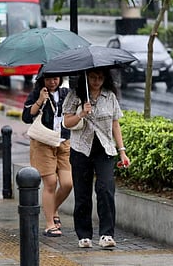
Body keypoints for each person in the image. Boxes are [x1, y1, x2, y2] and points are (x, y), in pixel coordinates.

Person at [62, 68, 130, 248]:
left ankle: (107, 234)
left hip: (104, 150)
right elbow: (66, 122)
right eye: (93, 77)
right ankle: (83, 235)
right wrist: (80, 114)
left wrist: (122, 151)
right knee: (82, 193)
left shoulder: (110, 97)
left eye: (100, 77)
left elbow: (115, 124)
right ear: (86, 77)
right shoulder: (75, 95)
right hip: (81, 149)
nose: (96, 81)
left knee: (106, 189)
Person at [22, 75, 73, 237]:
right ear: (42, 80)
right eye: (49, 79)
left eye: (56, 79)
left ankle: (53, 208)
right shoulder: (37, 93)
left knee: (67, 184)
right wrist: (39, 100)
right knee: (50, 183)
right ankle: (50, 224)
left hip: (63, 142)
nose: (52, 82)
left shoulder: (66, 93)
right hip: (43, 143)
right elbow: (26, 117)